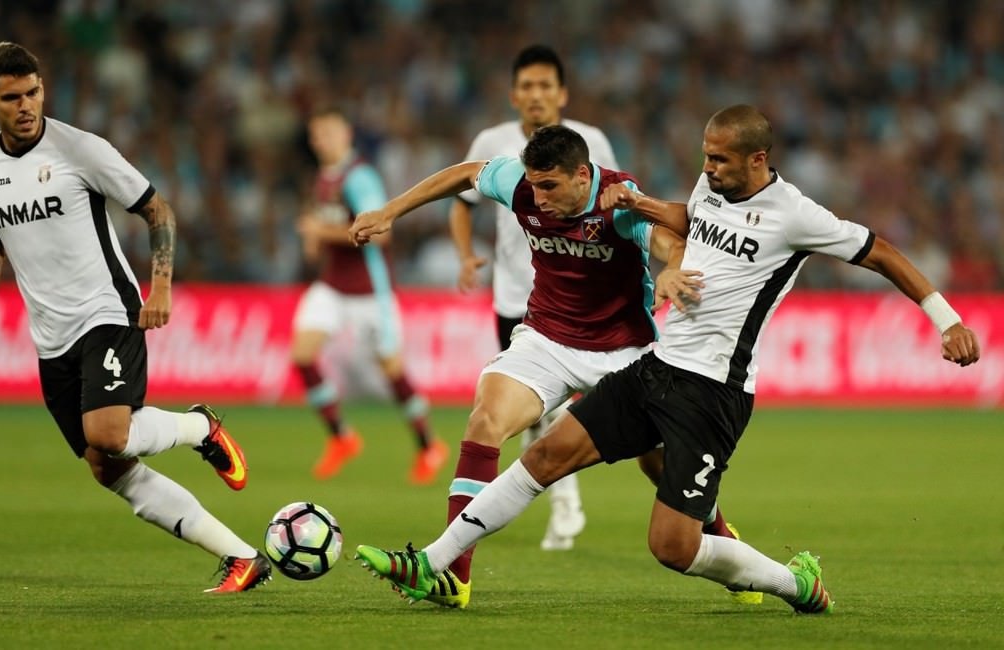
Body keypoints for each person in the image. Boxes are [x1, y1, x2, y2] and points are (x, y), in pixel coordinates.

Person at [353, 105, 982, 613]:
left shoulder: (796, 216)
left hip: (712, 392)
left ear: (758, 159)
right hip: (654, 367)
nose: (705, 167)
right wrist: (652, 211)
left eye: (718, 157)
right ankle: (433, 562)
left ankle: (795, 580)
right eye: (704, 155)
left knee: (673, 545)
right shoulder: (709, 187)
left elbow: (879, 252)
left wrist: (945, 318)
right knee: (544, 455)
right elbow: (692, 219)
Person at [349, 124, 755, 609]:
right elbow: (463, 175)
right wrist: (388, 211)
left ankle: (730, 554)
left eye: (550, 187)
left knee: (662, 467)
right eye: (534, 185)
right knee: (485, 421)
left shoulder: (616, 200)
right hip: (547, 339)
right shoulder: (519, 183)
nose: (538, 199)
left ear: (583, 176)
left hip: (624, 352)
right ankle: (453, 578)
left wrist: (670, 268)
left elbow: (669, 238)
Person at [0, 42, 271, 593]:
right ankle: (241, 556)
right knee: (105, 466)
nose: (27, 106)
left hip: (108, 312)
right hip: (50, 337)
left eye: (34, 92)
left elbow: (156, 208)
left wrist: (160, 284)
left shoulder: (82, 149)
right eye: (12, 97)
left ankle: (198, 426)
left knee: (109, 434)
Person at [449, 44, 619, 552]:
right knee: (533, 411)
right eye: (527, 87)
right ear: (514, 95)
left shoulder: (592, 142)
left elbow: (616, 206)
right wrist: (464, 254)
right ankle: (564, 506)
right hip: (516, 300)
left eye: (546, 86)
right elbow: (461, 201)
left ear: (562, 93)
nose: (536, 95)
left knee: (589, 413)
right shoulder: (493, 142)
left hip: (585, 307)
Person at [292, 106, 448, 484]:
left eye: (329, 132)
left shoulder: (359, 177)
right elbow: (328, 225)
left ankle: (429, 445)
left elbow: (381, 234)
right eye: (316, 134)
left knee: (392, 369)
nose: (321, 140)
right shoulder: (324, 178)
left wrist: (319, 232)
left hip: (369, 291)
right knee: (302, 355)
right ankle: (342, 437)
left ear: (346, 135)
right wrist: (315, 240)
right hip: (332, 285)